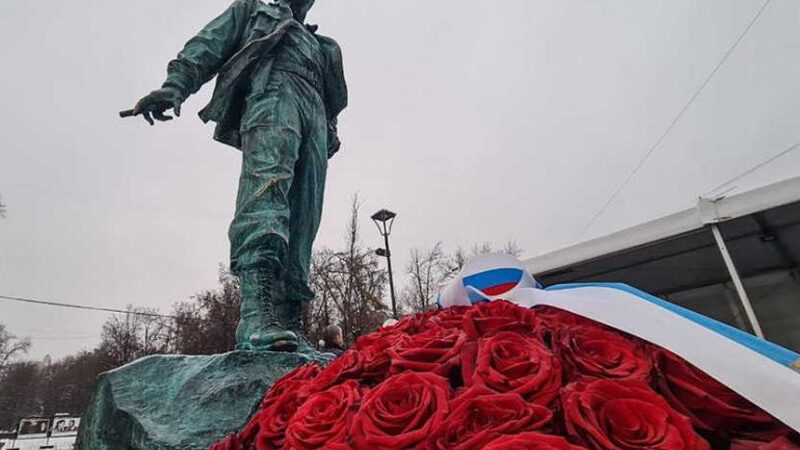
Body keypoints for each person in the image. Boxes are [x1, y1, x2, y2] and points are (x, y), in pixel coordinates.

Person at [128, 0, 347, 352]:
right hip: (273, 94)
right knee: (266, 193)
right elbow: (206, 46)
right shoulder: (255, 11)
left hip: (315, 116)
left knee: (305, 218)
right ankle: (256, 316)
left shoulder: (324, 48)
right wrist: (174, 87)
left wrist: (329, 130)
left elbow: (333, 100)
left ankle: (289, 320)